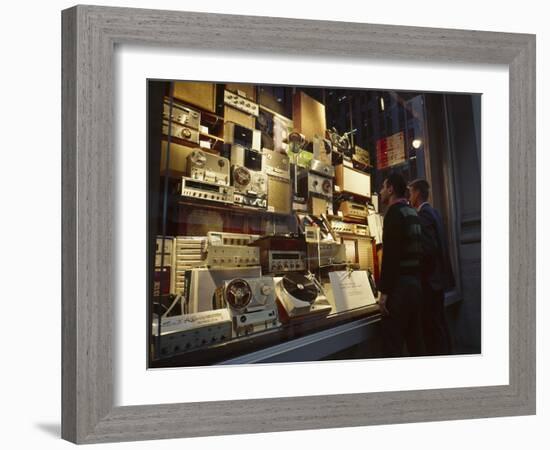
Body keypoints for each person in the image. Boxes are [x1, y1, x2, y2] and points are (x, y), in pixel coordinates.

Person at [377, 173, 425, 357]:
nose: (380, 191)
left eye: (383, 187)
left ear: (391, 189)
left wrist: (384, 293)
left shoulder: (394, 213)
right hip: (415, 286)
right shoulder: (412, 211)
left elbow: (391, 256)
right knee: (415, 342)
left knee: (393, 346)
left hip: (399, 290)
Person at [408, 178, 455, 355]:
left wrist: (417, 272)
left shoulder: (423, 215)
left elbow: (428, 249)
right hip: (439, 280)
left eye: (411, 192)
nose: (410, 196)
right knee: (440, 324)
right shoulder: (434, 212)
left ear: (417, 193)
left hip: (429, 283)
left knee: (432, 331)